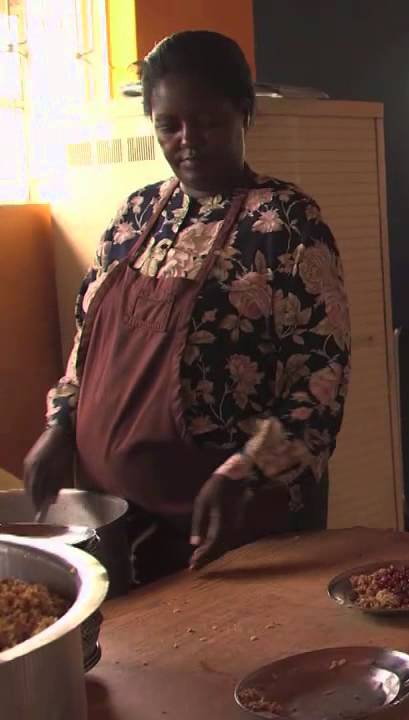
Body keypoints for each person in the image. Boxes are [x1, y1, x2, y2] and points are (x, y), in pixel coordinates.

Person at [23, 31, 350, 582]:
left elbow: (322, 378)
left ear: (244, 115)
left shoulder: (286, 223)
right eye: (168, 125)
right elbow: (87, 342)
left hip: (228, 522)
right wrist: (61, 425)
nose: (188, 141)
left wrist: (245, 471)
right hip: (118, 521)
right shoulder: (136, 214)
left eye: (208, 122)